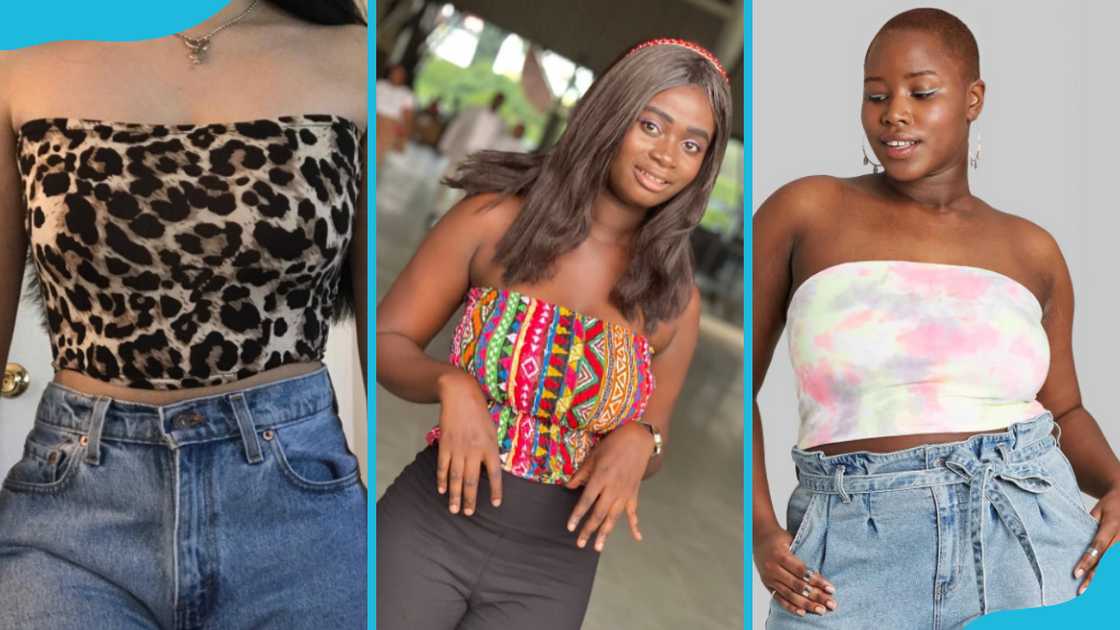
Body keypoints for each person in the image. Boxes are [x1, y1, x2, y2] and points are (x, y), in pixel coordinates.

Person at [0, 1, 369, 627]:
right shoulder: (20, 51)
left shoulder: (352, 56)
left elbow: (380, 344)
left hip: (299, 506)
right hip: (74, 514)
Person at [752, 8, 1120, 629]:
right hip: (849, 544)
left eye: (922, 93)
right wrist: (762, 528)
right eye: (876, 95)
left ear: (974, 99)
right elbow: (743, 386)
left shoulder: (1032, 249)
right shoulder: (806, 211)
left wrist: (1117, 483)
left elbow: (1065, 411)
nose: (894, 113)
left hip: (1029, 535)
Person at [376, 38, 733, 629]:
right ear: (611, 114)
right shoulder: (494, 221)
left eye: (692, 144)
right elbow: (389, 341)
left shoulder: (675, 300)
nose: (667, 154)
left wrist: (644, 440)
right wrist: (453, 383)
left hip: (553, 569)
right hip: (429, 529)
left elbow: (657, 432)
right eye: (651, 124)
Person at [375, 63, 415, 167]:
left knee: (376, 154)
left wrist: (403, 138)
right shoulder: (379, 85)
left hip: (389, 126)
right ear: (390, 73)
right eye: (395, 72)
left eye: (400, 74)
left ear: (404, 77)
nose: (397, 75)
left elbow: (407, 118)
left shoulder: (407, 94)